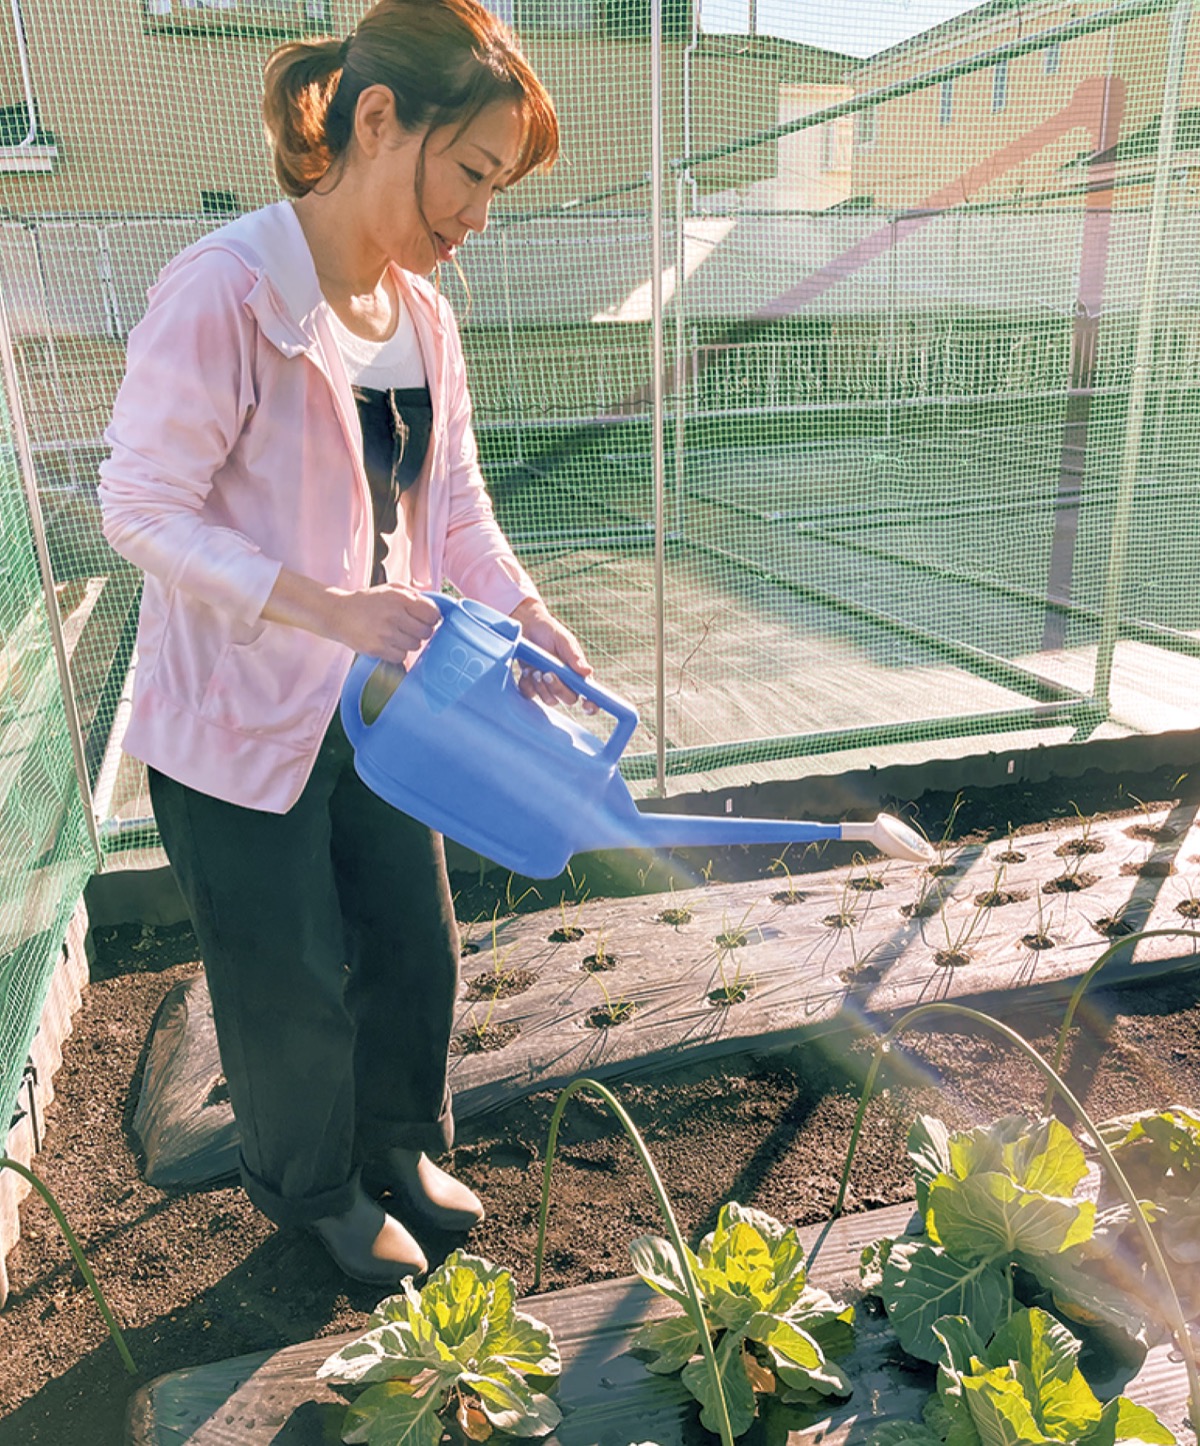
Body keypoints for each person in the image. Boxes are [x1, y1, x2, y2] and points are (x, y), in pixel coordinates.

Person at [98, 0, 592, 1287]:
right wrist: (331, 609)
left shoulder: (422, 317)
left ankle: (397, 1140)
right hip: (233, 718)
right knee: (289, 981)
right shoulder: (229, 289)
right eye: (473, 171)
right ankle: (312, 1190)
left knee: (411, 940)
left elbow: (458, 510)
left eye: (499, 184)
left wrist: (530, 612)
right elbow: (140, 509)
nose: (481, 211)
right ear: (380, 120)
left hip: (381, 705)